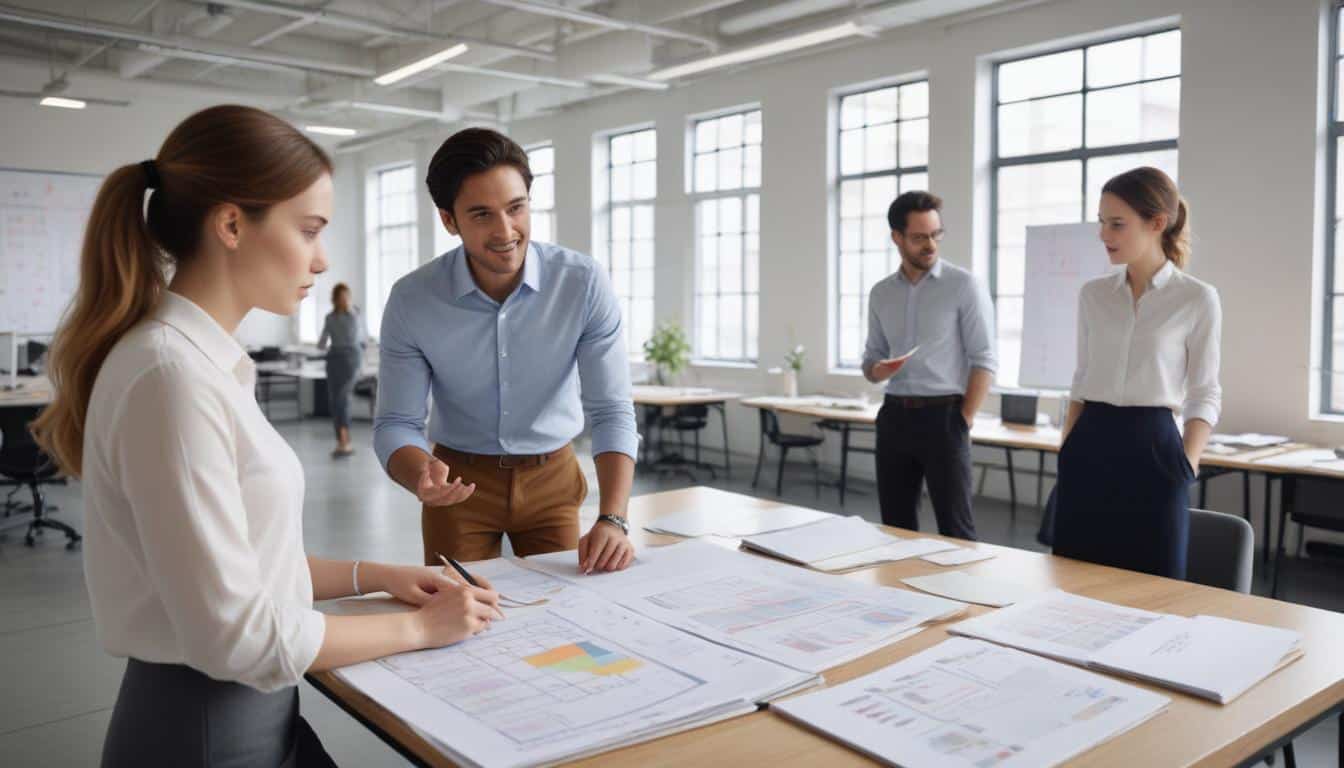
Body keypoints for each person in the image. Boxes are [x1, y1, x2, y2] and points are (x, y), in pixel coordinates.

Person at [31, 105, 502, 768]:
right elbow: (236, 635)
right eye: (308, 229)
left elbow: (245, 572)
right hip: (205, 729)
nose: (322, 256)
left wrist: (381, 576)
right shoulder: (172, 378)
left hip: (246, 715)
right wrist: (420, 629)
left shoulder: (203, 362)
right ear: (230, 224)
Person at [374, 128, 639, 573]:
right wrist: (421, 474)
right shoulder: (412, 300)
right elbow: (396, 424)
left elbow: (612, 409)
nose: (505, 231)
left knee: (564, 613)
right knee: (457, 619)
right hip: (456, 482)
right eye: (481, 215)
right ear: (449, 220)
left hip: (553, 478)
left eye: (516, 208)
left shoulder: (582, 283)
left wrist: (614, 517)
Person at [1053, 166, 1221, 579]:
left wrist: (1188, 464)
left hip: (1155, 451)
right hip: (1089, 443)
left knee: (1154, 585)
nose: (1103, 234)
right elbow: (1082, 377)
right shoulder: (1093, 295)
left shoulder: (1197, 298)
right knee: (1074, 580)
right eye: (1101, 223)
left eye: (1116, 224)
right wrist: (1067, 446)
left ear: (1157, 224)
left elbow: (1204, 391)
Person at [862, 191, 997, 540]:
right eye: (920, 237)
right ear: (897, 237)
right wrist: (878, 370)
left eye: (936, 234)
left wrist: (962, 421)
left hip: (944, 419)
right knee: (894, 528)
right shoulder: (881, 293)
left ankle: (963, 594)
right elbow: (870, 359)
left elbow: (985, 360)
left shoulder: (963, 285)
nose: (931, 244)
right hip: (894, 417)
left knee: (956, 529)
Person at [318, 282, 366, 457]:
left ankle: (345, 440)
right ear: (335, 299)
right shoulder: (329, 318)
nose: (345, 300)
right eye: (341, 297)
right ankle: (341, 441)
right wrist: (322, 344)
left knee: (342, 398)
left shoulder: (355, 314)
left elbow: (361, 339)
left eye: (347, 296)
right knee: (334, 401)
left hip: (351, 360)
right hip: (334, 360)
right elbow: (322, 343)